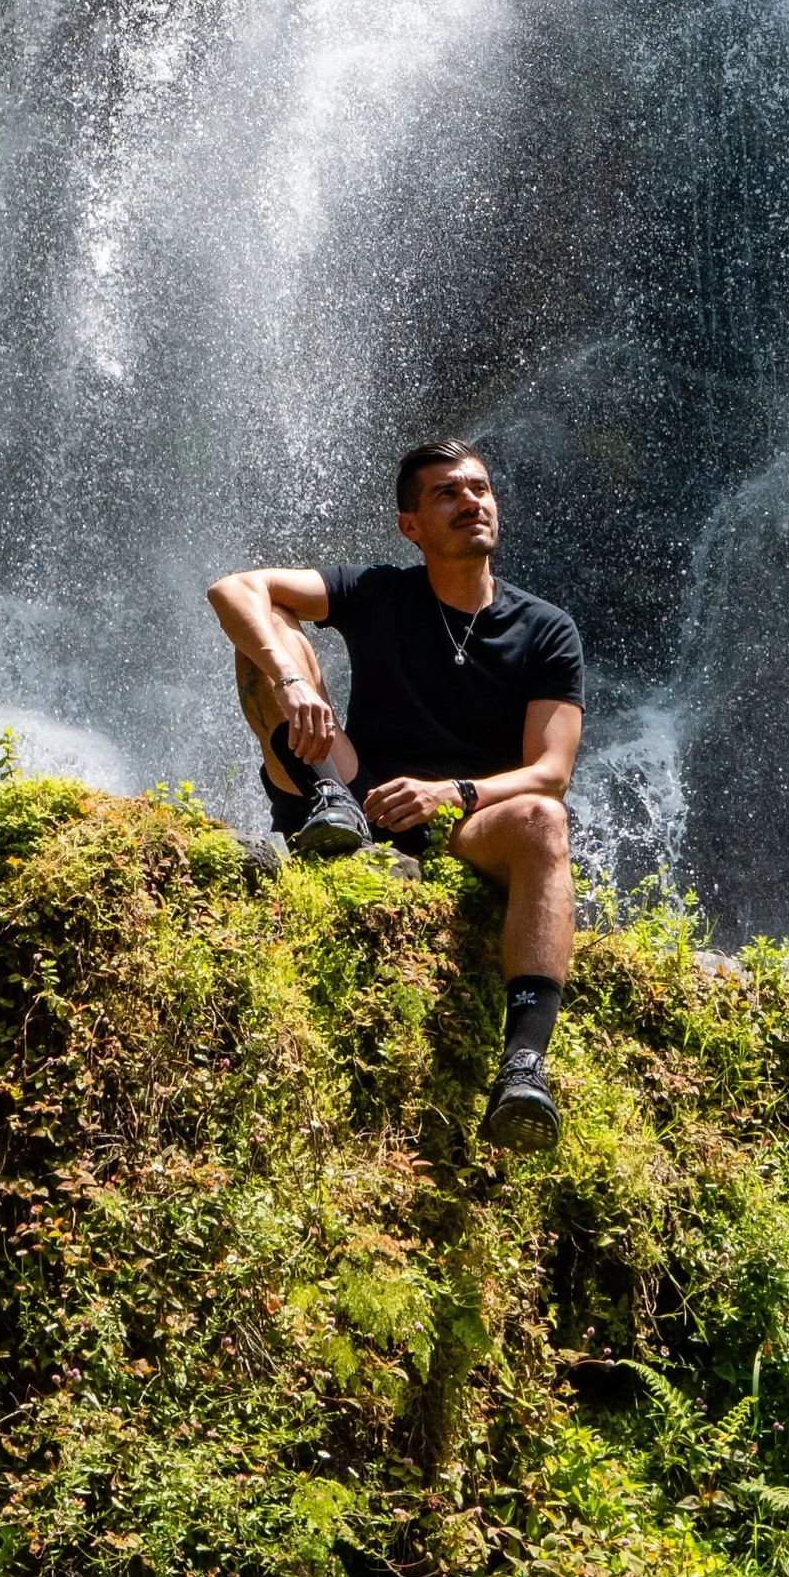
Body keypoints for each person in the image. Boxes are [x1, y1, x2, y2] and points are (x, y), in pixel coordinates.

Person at [207, 441, 582, 1152]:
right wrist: (293, 682)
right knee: (264, 636)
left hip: (465, 825)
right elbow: (232, 589)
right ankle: (329, 808)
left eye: (480, 488)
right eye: (447, 492)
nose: (472, 500)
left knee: (544, 818)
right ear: (410, 525)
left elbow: (550, 770)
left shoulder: (545, 629)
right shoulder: (380, 590)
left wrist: (453, 793)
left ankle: (524, 1066)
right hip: (345, 790)